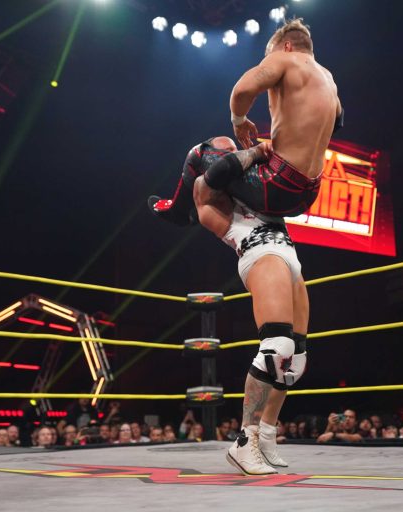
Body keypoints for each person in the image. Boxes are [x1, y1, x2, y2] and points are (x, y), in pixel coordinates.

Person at [191, 137, 309, 476]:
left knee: (294, 361)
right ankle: (245, 440)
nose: (234, 153)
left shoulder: (254, 183)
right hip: (261, 254)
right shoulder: (205, 187)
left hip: (289, 258)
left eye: (235, 149)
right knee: (276, 349)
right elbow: (222, 170)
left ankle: (267, 435)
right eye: (225, 150)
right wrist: (254, 151)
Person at [149, 18, 342, 224]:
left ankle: (178, 212)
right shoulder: (328, 78)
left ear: (287, 46)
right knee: (245, 156)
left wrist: (239, 120)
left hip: (276, 187)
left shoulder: (286, 59)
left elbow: (242, 90)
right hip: (308, 196)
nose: (269, 59)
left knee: (199, 155)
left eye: (270, 54)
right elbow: (337, 122)